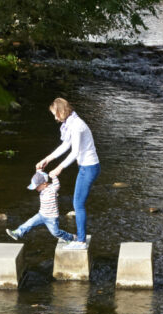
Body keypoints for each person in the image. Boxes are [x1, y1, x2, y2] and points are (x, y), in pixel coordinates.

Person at [35, 98, 100, 250]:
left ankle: (81, 242)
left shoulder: (76, 125)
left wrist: (60, 168)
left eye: (55, 114)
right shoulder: (71, 123)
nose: (55, 118)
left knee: (78, 204)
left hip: (89, 168)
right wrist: (47, 159)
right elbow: (66, 145)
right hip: (87, 167)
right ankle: (80, 238)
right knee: (78, 203)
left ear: (62, 111)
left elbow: (75, 151)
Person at [5, 171, 75, 243]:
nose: (35, 188)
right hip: (41, 214)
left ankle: (70, 237)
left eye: (36, 186)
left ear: (44, 184)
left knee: (55, 232)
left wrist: (54, 176)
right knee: (29, 223)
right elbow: (39, 175)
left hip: (51, 217)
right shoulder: (42, 188)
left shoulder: (52, 189)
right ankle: (17, 233)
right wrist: (39, 169)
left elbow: (57, 184)